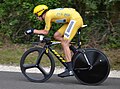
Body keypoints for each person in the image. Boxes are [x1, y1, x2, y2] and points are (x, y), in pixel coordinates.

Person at [25, 5, 83, 77]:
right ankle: (75, 52)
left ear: (40, 13)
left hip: (75, 19)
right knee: (57, 36)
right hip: (72, 19)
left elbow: (45, 32)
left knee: (64, 43)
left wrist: (33, 31)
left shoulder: (47, 16)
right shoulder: (49, 14)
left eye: (36, 15)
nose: (37, 17)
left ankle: (70, 70)